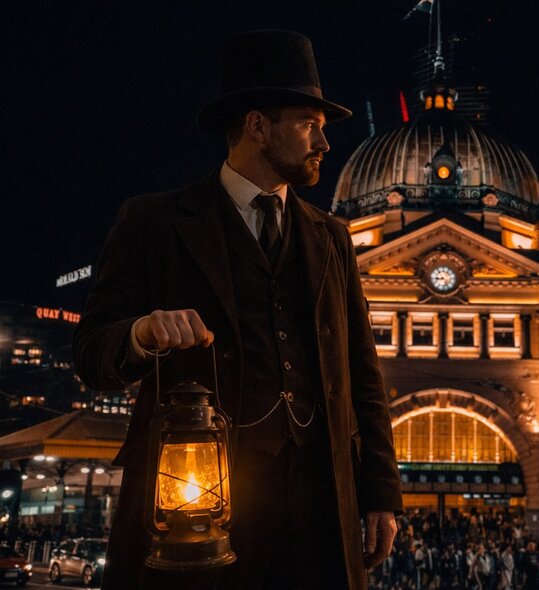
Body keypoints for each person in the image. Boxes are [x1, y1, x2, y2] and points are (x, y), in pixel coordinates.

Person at [73, 30, 402, 589]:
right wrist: (141, 333)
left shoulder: (332, 238)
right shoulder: (153, 222)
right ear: (257, 125)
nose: (324, 143)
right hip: (193, 511)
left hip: (320, 506)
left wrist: (380, 496)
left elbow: (362, 377)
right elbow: (90, 353)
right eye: (309, 123)